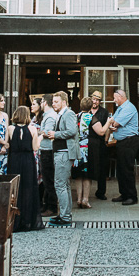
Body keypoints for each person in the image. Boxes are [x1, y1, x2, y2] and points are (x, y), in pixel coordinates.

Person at [45, 91, 80, 226]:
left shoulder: (69, 114)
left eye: (56, 102)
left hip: (64, 152)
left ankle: (65, 217)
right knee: (64, 185)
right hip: (61, 152)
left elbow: (72, 131)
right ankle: (65, 214)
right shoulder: (62, 114)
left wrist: (55, 134)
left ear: (64, 102)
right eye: (53, 102)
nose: (53, 104)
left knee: (60, 184)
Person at [6, 106, 43, 232]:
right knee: (28, 188)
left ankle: (15, 219)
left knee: (15, 189)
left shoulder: (10, 128)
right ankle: (27, 219)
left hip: (14, 160)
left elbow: (7, 144)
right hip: (28, 160)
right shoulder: (32, 129)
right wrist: (40, 137)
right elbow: (35, 147)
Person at [107, 89, 139, 205]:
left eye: (115, 98)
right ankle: (124, 193)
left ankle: (132, 196)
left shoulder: (128, 108)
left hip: (129, 141)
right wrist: (112, 123)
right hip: (122, 142)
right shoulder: (120, 108)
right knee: (120, 169)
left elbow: (115, 123)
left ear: (120, 97)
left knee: (127, 169)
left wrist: (113, 124)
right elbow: (111, 121)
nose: (114, 100)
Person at [87, 91, 109, 200]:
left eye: (97, 100)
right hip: (87, 143)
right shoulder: (85, 111)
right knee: (88, 167)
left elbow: (106, 128)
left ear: (100, 102)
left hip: (99, 142)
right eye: (93, 99)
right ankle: (85, 193)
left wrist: (106, 140)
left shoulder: (104, 112)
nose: (95, 102)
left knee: (102, 168)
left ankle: (101, 192)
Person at [39, 97, 59, 217]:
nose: (41, 104)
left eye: (41, 102)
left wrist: (39, 132)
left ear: (45, 103)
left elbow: (48, 132)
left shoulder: (50, 116)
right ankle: (47, 205)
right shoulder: (48, 115)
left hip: (48, 150)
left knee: (49, 179)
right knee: (47, 179)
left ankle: (52, 207)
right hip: (46, 149)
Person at [72, 94, 93, 209]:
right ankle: (86, 199)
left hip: (76, 149)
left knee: (78, 175)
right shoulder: (91, 117)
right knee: (87, 175)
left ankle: (79, 199)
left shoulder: (75, 116)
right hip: (87, 149)